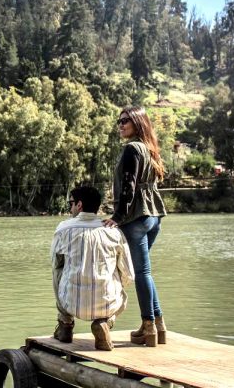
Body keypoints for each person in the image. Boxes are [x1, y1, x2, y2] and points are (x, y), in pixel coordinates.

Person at [102, 106, 168, 347]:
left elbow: (129, 187)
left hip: (136, 218)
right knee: (145, 272)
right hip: (153, 218)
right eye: (118, 121)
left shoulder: (132, 149)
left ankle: (148, 327)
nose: (120, 125)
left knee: (142, 273)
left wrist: (117, 217)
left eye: (125, 121)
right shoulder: (149, 148)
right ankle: (157, 325)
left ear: (138, 123)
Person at [51, 186, 134, 350]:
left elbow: (55, 264)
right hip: (107, 303)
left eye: (71, 203)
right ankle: (105, 322)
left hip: (70, 303)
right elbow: (129, 274)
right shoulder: (113, 232)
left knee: (57, 270)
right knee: (122, 291)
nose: (70, 207)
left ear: (79, 205)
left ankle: (65, 323)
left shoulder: (63, 229)